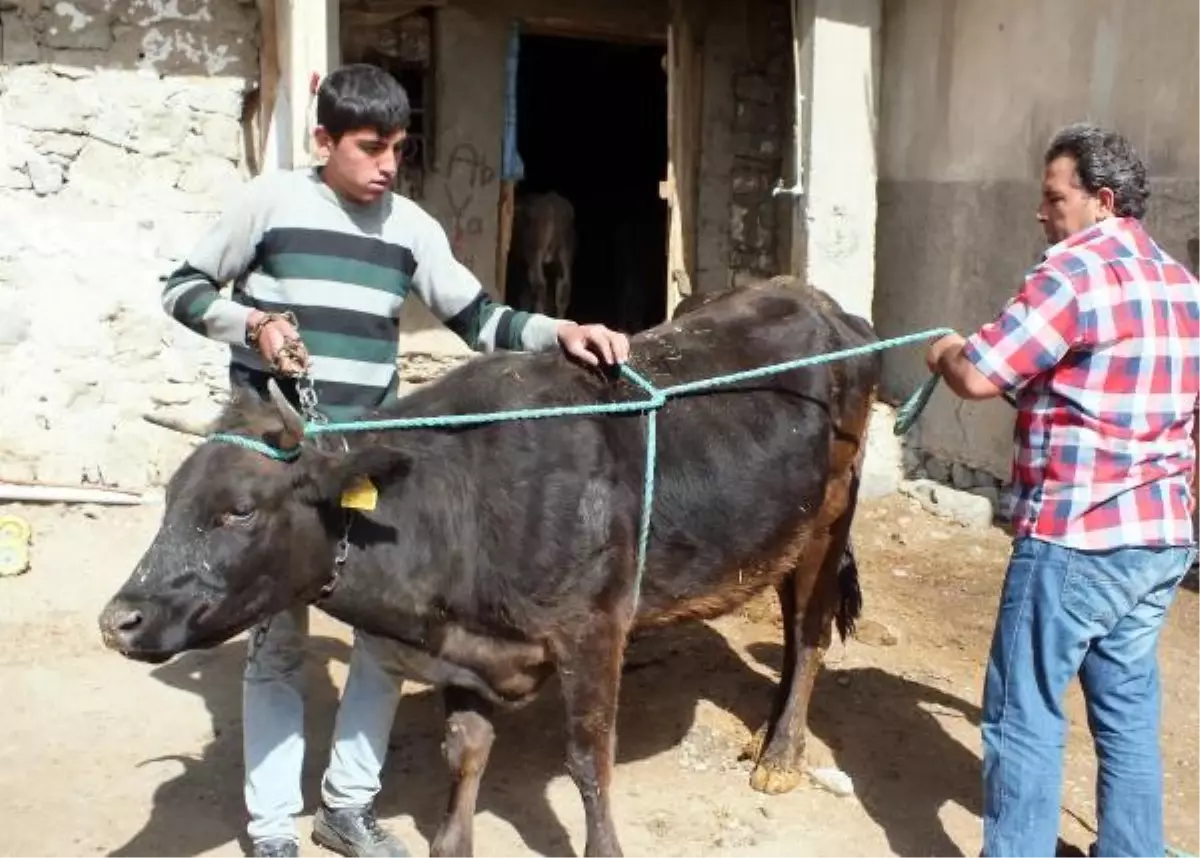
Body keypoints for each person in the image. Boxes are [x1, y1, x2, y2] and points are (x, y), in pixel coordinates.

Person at [160, 63, 630, 858]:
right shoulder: (269, 203)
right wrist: (253, 325)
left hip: (362, 461)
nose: (386, 165)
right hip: (277, 471)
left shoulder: (410, 226)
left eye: (399, 150)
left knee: (385, 639)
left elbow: (479, 317)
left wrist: (562, 333)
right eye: (370, 148)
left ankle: (349, 807)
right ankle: (274, 830)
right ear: (324, 140)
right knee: (278, 645)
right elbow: (182, 288)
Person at [924, 122, 1200, 858]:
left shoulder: (1073, 274)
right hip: (1159, 540)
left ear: (1102, 201)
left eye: (1053, 198)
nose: (1042, 213)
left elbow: (982, 374)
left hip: (1073, 541)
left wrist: (946, 350)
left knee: (1023, 712)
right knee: (1129, 708)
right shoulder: (1184, 286)